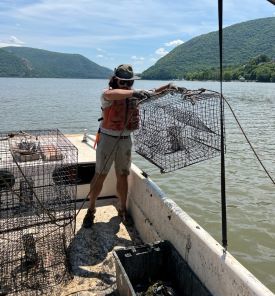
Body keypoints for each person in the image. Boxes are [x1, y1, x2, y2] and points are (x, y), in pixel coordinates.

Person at [83, 64, 175, 228]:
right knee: (100, 175)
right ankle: (91, 210)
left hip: (125, 140)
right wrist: (134, 92)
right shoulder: (108, 95)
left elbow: (154, 93)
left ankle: (123, 209)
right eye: (122, 82)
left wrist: (168, 87)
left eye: (129, 83)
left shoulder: (134, 96)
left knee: (123, 175)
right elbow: (111, 94)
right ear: (115, 80)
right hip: (107, 139)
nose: (125, 85)